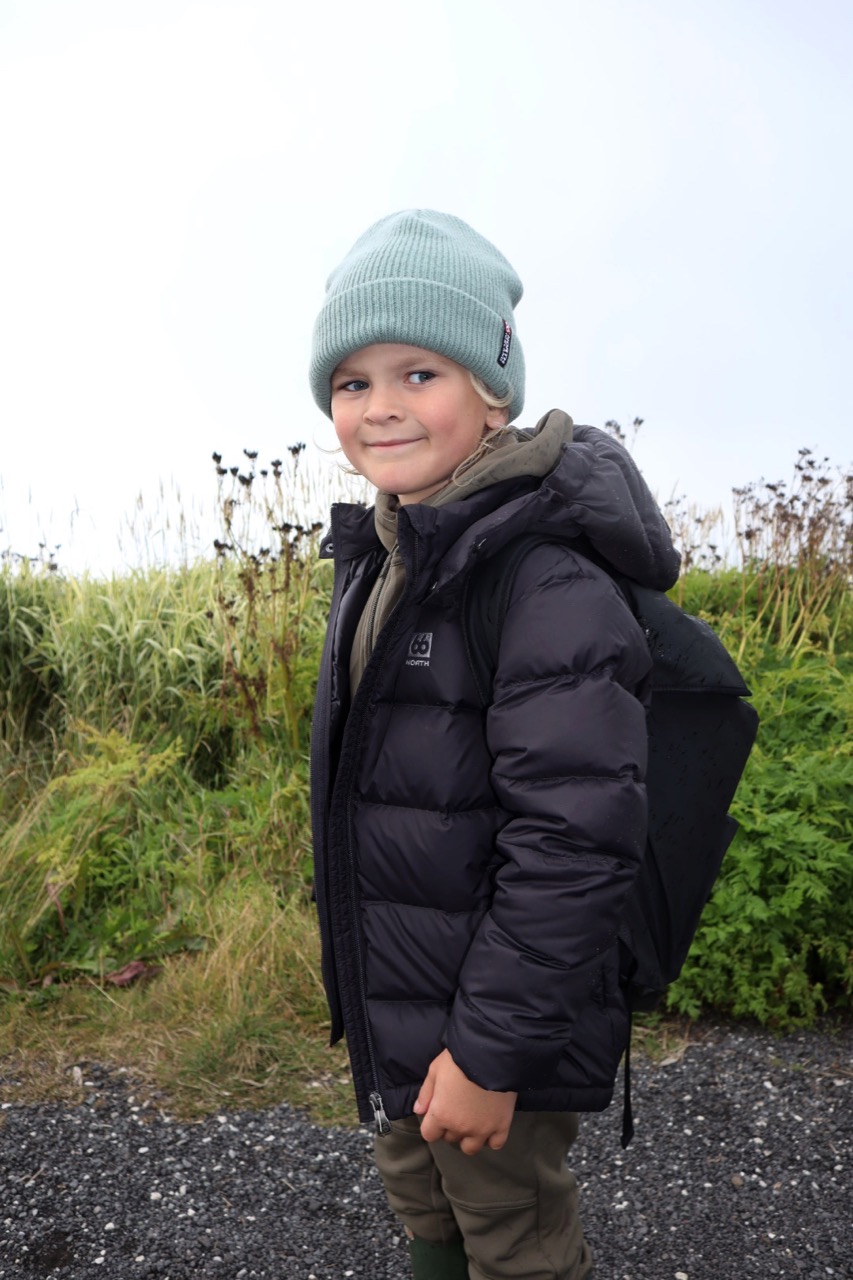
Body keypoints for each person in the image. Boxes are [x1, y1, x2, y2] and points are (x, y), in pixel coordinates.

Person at [308, 210, 680, 1280]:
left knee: (511, 1232)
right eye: (351, 381)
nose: (380, 405)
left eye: (419, 372)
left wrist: (487, 1053)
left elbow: (575, 839)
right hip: (405, 997)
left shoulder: (541, 577)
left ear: (493, 391)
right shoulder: (386, 552)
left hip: (492, 1022)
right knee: (423, 1203)